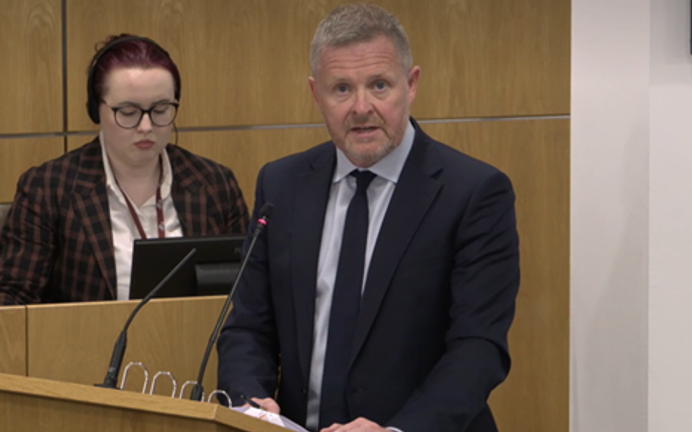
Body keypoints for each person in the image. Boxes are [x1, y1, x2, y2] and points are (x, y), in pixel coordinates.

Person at [217, 4, 519, 432]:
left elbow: (478, 348)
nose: (362, 107)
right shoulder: (281, 186)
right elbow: (248, 326)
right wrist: (250, 403)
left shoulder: (474, 193)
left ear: (410, 84)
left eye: (379, 85)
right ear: (316, 93)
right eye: (341, 88)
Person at [0, 34, 249, 306]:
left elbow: (250, 286)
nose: (146, 126)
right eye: (128, 112)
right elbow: (7, 299)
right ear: (96, 110)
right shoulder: (48, 188)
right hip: (85, 334)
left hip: (197, 334)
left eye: (161, 109)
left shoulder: (215, 184)